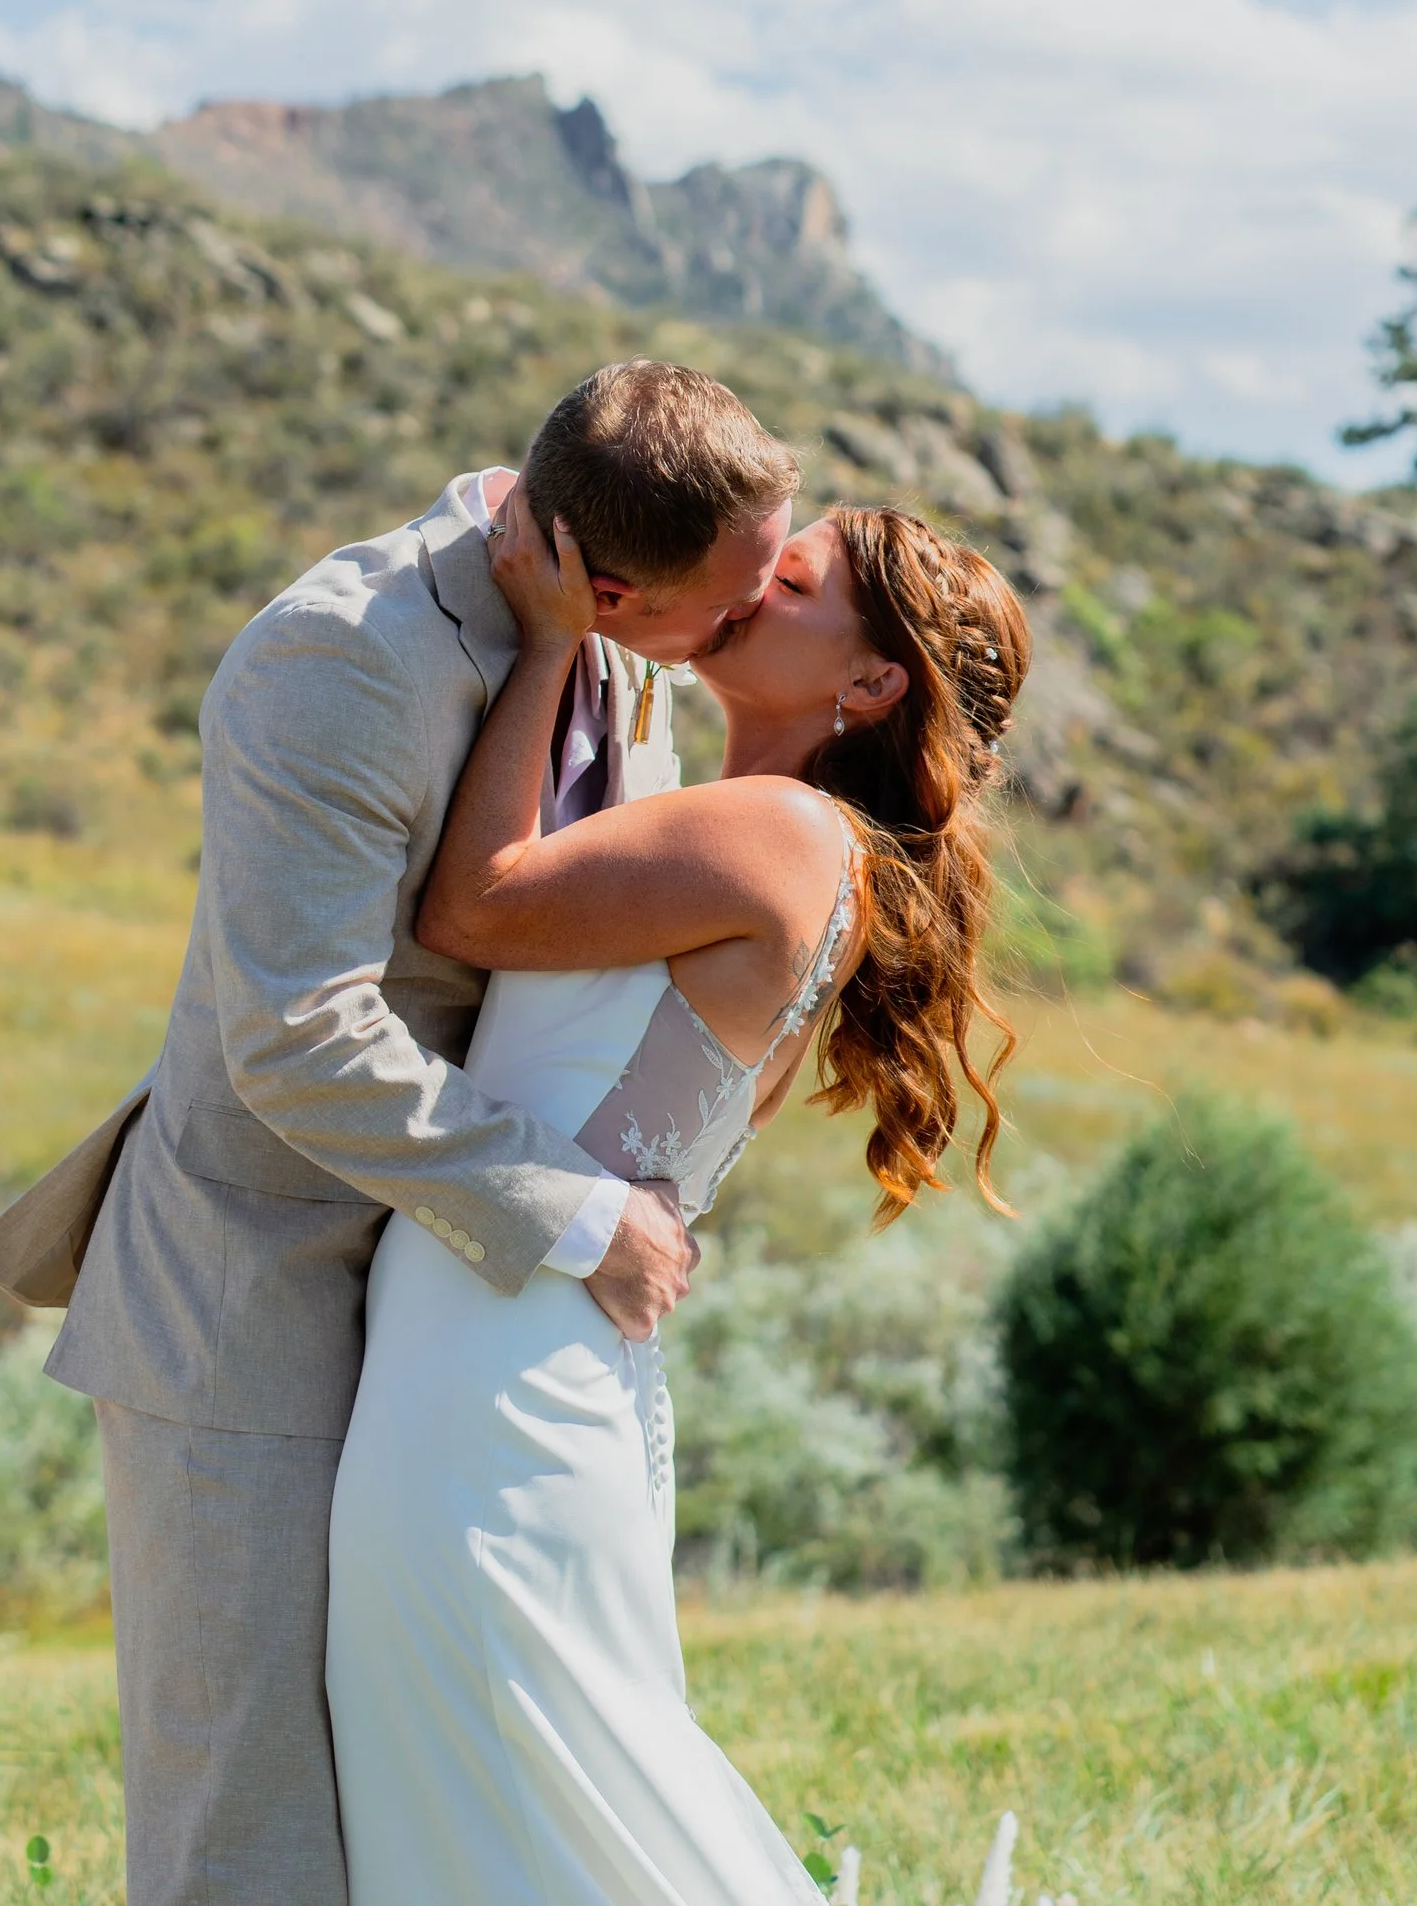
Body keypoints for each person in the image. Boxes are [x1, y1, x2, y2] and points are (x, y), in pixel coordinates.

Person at [0, 362, 802, 1906]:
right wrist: (575, 1211)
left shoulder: (615, 650)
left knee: (443, 1785)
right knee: (259, 1818)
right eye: (730, 613)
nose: (739, 636)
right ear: (607, 582)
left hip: (454, 1326)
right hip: (253, 1293)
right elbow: (301, 1034)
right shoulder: (336, 662)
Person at [325, 482, 1032, 1906]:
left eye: (797, 578)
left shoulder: (774, 831)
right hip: (524, 1336)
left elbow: (474, 905)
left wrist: (544, 642)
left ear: (873, 679)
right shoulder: (777, 831)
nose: (752, 576)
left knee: (539, 1795)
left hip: (497, 1358)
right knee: (512, 1794)